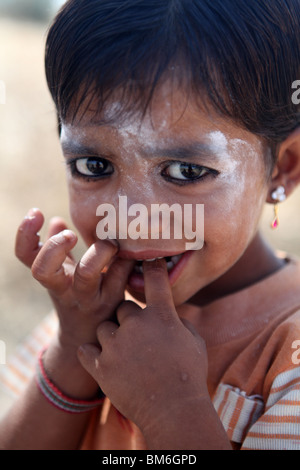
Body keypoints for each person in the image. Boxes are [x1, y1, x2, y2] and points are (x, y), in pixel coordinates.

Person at [1, 0, 300, 450]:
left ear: (284, 168)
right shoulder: (91, 309)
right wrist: (70, 351)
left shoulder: (287, 357)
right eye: (93, 164)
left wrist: (174, 412)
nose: (132, 220)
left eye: (186, 172)